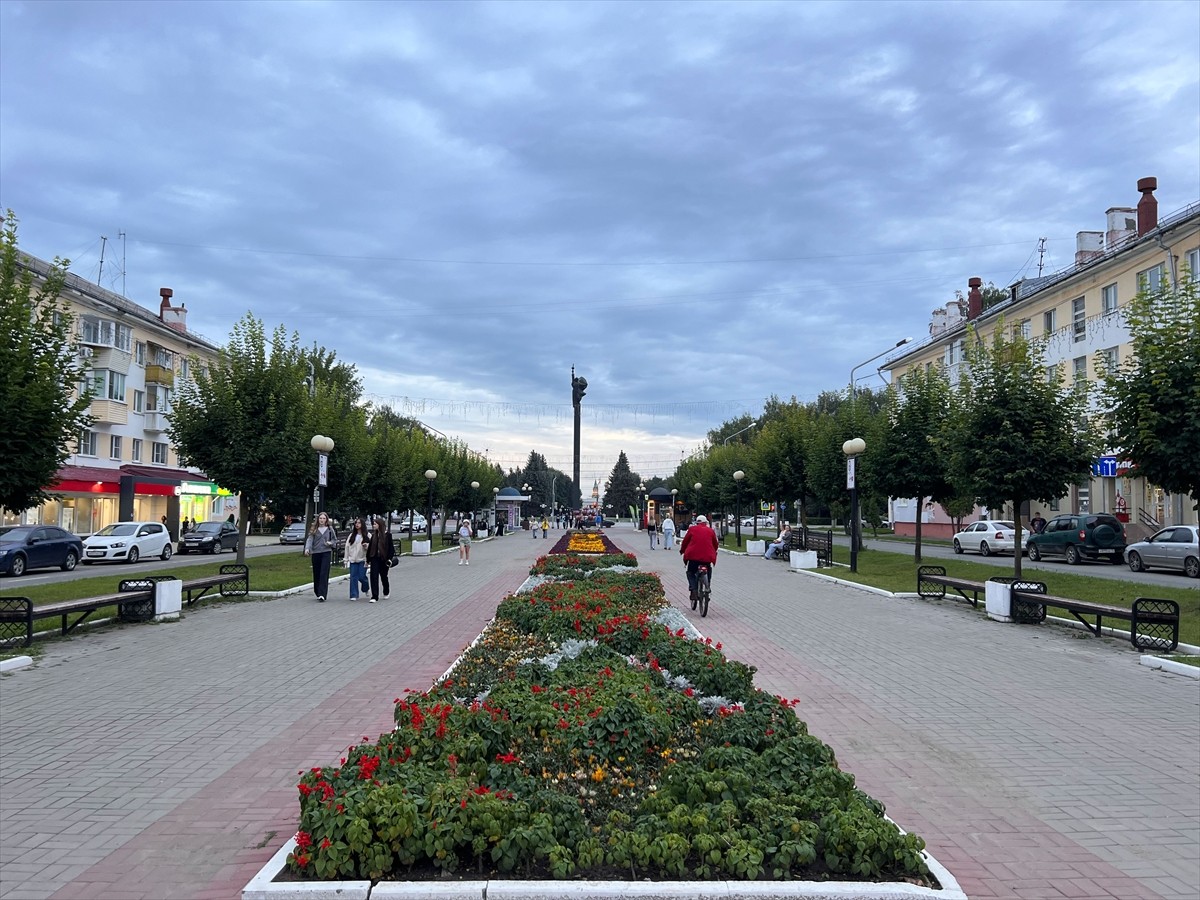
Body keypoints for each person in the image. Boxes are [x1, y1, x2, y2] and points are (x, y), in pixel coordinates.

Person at [679, 514, 719, 604]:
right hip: (707, 557)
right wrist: (714, 551)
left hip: (693, 557)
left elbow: (685, 542)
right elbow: (715, 544)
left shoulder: (692, 529)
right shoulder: (710, 531)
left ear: (697, 522)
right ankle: (707, 585)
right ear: (706, 523)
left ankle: (694, 590)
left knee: (690, 572)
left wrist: (682, 551)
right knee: (708, 569)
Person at [304, 511, 339, 602]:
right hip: (316, 553)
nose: (322, 520)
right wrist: (307, 549)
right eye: (320, 518)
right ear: (318, 519)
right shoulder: (314, 529)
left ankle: (322, 594)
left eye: (324, 518)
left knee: (324, 572)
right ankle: (317, 591)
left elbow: (335, 540)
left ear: (326, 520)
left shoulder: (330, 529)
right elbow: (310, 539)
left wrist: (330, 543)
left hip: (326, 552)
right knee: (317, 573)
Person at [366, 516, 395, 603]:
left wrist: (389, 559)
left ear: (380, 525)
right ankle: (374, 596)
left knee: (383, 576)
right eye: (373, 524)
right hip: (375, 558)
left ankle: (386, 591)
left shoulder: (388, 535)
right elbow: (370, 548)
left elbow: (391, 549)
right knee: (373, 576)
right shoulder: (374, 536)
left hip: (384, 559)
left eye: (375, 524)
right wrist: (367, 560)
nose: (373, 526)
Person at [344, 518, 370, 600]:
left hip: (363, 559)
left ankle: (366, 588)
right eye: (356, 523)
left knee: (362, 577)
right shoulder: (351, 536)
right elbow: (347, 547)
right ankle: (354, 594)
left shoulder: (368, 535)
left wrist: (367, 546)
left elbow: (372, 547)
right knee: (353, 577)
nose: (357, 524)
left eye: (359, 523)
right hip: (353, 559)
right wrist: (346, 559)